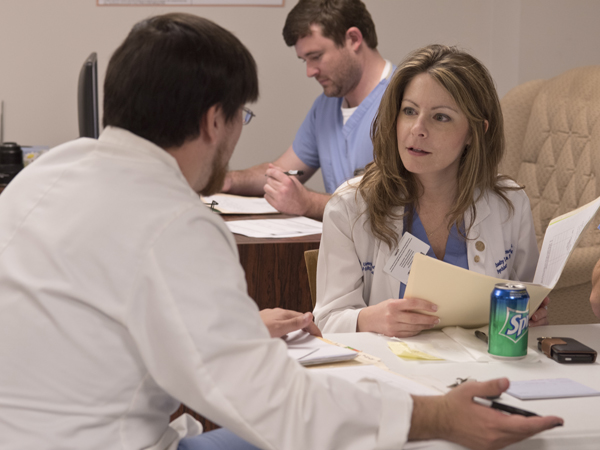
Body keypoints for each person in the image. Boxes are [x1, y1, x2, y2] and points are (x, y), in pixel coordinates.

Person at [0, 15, 561, 450]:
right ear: (213, 120)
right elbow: (282, 408)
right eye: (241, 119)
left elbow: (103, 315)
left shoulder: (46, 172)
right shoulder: (180, 226)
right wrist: (438, 416)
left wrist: (239, 330)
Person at [314, 44, 551, 337]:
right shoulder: (350, 205)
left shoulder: (509, 203)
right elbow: (327, 320)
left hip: (481, 370)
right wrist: (369, 320)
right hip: (389, 373)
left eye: (440, 117)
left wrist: (531, 316)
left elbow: (525, 300)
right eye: (409, 111)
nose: (417, 129)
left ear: (476, 132)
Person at [222, 0, 394, 220]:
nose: (310, 71)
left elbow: (393, 204)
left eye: (316, 56)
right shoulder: (325, 107)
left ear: (353, 39)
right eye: (304, 60)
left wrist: (309, 203)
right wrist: (227, 180)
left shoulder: (406, 103)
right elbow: (279, 173)